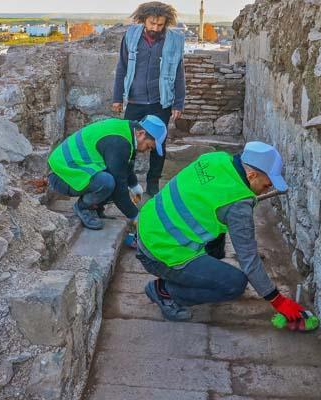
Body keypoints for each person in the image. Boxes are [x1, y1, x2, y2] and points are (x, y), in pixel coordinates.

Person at [136, 142, 306, 322]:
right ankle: (165, 292)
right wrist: (277, 301)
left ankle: (198, 276)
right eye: (266, 185)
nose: (268, 189)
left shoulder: (217, 158)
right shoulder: (238, 206)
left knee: (218, 238)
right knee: (234, 284)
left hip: (149, 224)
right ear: (252, 174)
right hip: (160, 252)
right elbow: (248, 260)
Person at [112, 1, 186, 197]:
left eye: (160, 24)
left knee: (158, 144)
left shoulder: (174, 40)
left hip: (160, 101)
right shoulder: (131, 35)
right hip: (135, 100)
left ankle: (153, 186)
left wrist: (179, 102)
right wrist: (117, 97)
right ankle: (127, 182)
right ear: (143, 19)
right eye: (152, 23)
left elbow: (179, 73)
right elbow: (122, 67)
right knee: (129, 143)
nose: (156, 28)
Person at [47, 116, 167, 230]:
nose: (147, 151)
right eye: (149, 147)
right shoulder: (120, 142)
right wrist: (135, 216)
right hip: (62, 174)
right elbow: (119, 188)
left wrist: (134, 185)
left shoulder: (127, 132)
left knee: (111, 179)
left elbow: (124, 165)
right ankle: (83, 207)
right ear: (141, 134)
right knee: (107, 182)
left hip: (73, 169)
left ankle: (95, 207)